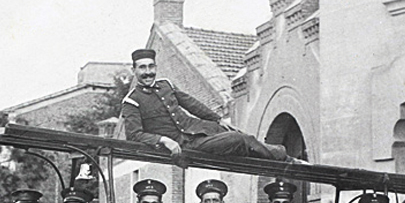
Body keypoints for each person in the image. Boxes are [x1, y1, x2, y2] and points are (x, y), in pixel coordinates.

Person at [121, 48, 291, 161]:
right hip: (188, 145)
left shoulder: (166, 84)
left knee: (242, 137)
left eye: (151, 67)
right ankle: (285, 158)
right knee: (239, 140)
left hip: (201, 130)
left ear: (156, 67)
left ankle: (282, 157)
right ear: (134, 70)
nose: (148, 72)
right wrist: (163, 140)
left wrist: (217, 119)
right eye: (142, 68)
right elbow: (134, 135)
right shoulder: (132, 101)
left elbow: (191, 104)